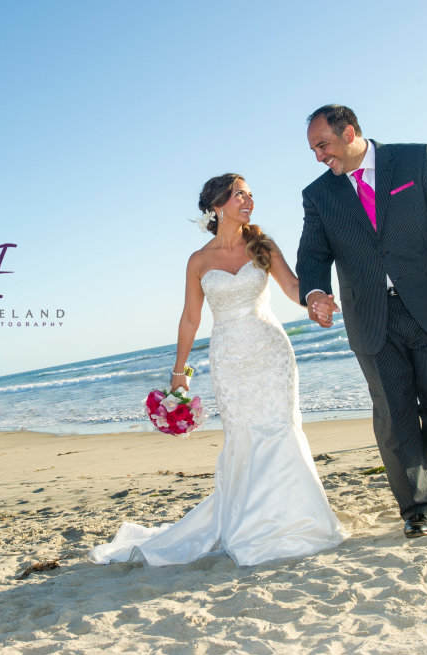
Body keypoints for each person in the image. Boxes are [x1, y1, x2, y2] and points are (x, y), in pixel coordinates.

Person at [90, 174, 347, 567]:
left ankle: (299, 520)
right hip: (228, 359)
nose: (248, 200)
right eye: (239, 194)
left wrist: (315, 301)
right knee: (243, 436)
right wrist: (179, 374)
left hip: (271, 352)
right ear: (217, 205)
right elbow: (191, 319)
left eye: (250, 194)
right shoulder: (199, 261)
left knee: (280, 427)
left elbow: (293, 287)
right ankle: (251, 525)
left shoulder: (262, 245)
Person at [297, 104, 427, 538]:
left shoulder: (415, 159)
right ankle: (416, 505)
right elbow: (313, 253)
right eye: (314, 149)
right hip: (371, 318)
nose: (319, 156)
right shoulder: (319, 195)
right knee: (394, 416)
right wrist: (315, 292)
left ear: (350, 132)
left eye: (323, 145)